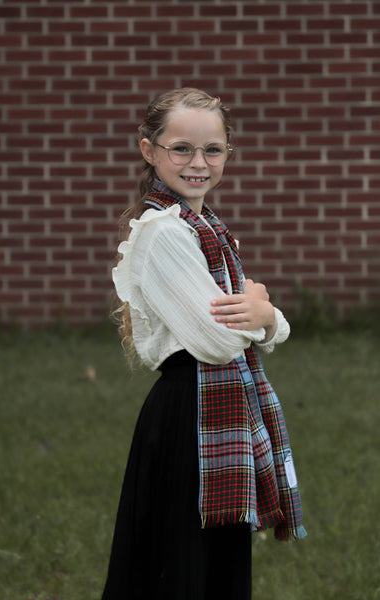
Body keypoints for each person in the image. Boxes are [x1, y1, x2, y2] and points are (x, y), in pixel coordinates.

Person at [101, 88, 306, 600]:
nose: (199, 163)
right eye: (181, 148)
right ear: (149, 150)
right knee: (179, 566)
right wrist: (263, 313)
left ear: (227, 152)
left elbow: (256, 325)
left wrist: (263, 314)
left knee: (216, 564)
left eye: (213, 150)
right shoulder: (163, 233)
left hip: (218, 407)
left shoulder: (207, 227)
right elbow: (217, 341)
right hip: (186, 414)